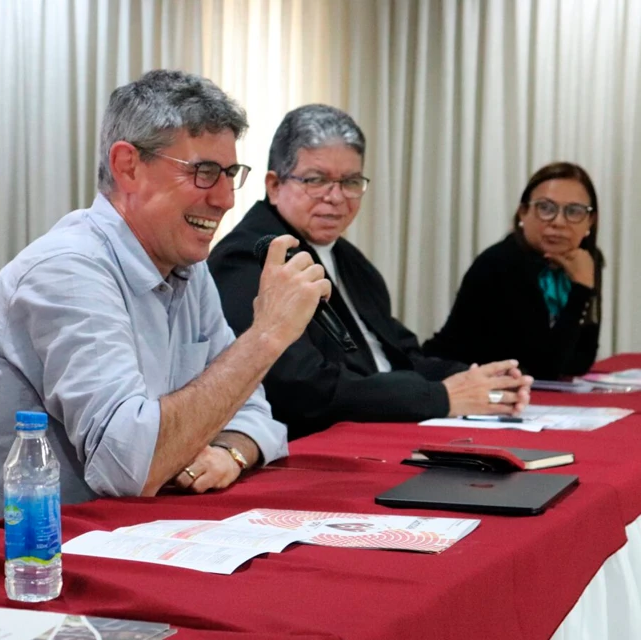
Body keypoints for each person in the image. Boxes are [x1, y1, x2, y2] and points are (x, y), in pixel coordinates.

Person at [0, 70, 330, 542]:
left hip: (116, 537)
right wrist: (266, 336)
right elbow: (130, 470)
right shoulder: (69, 271)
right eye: (203, 172)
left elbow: (256, 416)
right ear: (128, 166)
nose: (224, 199)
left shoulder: (185, 264)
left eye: (230, 174)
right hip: (5, 560)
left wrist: (230, 454)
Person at [209, 104, 533, 439]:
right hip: (315, 446)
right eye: (316, 180)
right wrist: (442, 397)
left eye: (350, 182)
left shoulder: (351, 261)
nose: (336, 197)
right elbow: (300, 389)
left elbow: (401, 356)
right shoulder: (252, 257)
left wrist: (481, 380)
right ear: (274, 186)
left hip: (386, 428)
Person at [422, 163, 602, 379]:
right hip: (452, 380)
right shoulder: (501, 263)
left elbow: (580, 361)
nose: (559, 222)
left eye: (574, 211)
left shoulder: (586, 261)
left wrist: (583, 284)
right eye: (546, 208)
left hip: (517, 387)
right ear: (523, 213)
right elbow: (544, 368)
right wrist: (581, 290)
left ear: (590, 221)